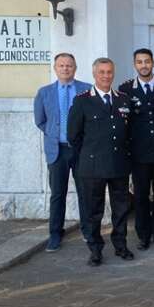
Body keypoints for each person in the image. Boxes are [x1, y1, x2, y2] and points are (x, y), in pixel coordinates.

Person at [67, 58, 133, 266]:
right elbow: (73, 136)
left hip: (118, 164)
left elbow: (129, 133)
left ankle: (121, 245)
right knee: (92, 210)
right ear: (94, 74)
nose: (106, 76)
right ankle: (95, 249)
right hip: (92, 165)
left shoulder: (123, 99)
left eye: (110, 72)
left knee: (121, 208)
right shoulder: (82, 100)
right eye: (102, 72)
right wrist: (90, 154)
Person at [34, 53, 92, 252]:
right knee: (58, 194)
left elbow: (91, 119)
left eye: (69, 65)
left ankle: (88, 230)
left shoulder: (86, 89)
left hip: (80, 150)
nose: (65, 69)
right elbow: (40, 121)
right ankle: (55, 234)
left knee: (85, 193)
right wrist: (54, 134)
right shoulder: (44, 93)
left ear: (75, 68)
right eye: (61, 65)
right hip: (57, 151)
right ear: (55, 68)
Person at [118, 49, 154, 251]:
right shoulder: (125, 89)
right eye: (139, 62)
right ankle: (143, 236)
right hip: (138, 154)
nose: (143, 65)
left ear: (153, 63)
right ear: (135, 65)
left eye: (147, 61)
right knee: (140, 196)